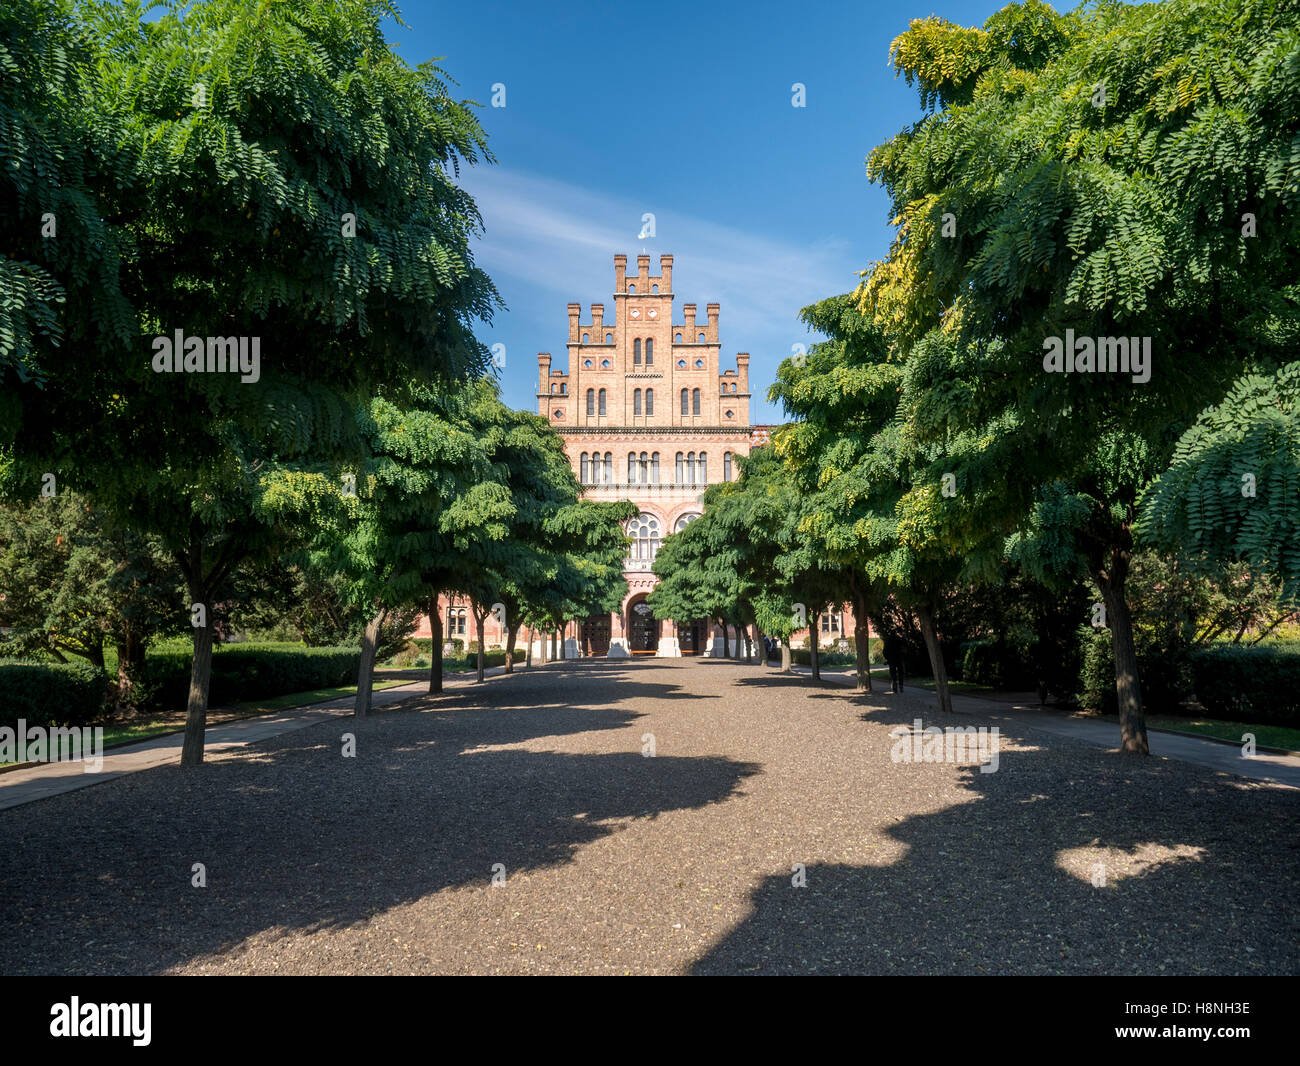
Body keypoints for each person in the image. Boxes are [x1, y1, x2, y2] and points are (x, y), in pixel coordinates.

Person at [882, 629, 905, 694]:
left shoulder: (888, 640)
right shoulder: (899, 639)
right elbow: (904, 646)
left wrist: (887, 658)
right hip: (899, 658)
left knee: (893, 673)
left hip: (891, 659)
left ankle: (895, 686)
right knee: (901, 673)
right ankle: (901, 686)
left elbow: (884, 651)